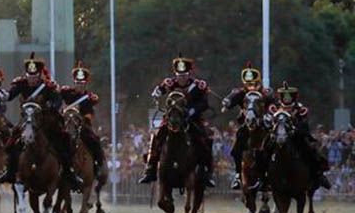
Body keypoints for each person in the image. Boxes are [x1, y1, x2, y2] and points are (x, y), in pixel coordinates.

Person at [0, 55, 83, 191]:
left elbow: (57, 99)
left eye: (34, 76)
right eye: (29, 75)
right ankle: (9, 171)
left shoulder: (47, 86)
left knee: (64, 141)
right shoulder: (21, 84)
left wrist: (52, 104)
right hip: (26, 121)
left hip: (46, 122)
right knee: (11, 144)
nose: (31, 78)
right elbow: (11, 95)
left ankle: (69, 172)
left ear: (39, 74)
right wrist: (4, 96)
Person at [138, 55, 216, 188]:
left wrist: (191, 111)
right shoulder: (170, 84)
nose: (181, 78)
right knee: (157, 136)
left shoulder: (198, 86)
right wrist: (156, 93)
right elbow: (159, 91)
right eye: (179, 75)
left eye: (184, 75)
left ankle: (206, 171)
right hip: (171, 119)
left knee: (205, 139)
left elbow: (204, 103)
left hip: (192, 119)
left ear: (189, 73)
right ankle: (150, 168)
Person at [253, 82, 332, 191]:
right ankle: (262, 179)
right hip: (276, 137)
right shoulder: (274, 109)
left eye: (288, 96)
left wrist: (295, 130)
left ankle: (318, 176)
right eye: (284, 96)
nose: (286, 99)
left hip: (295, 137)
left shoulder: (300, 109)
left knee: (310, 150)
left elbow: (304, 125)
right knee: (262, 150)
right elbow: (269, 122)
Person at [218, 62, 272, 190]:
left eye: (253, 83)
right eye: (248, 84)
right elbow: (231, 99)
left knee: (274, 144)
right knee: (237, 148)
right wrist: (226, 102)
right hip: (247, 126)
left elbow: (273, 105)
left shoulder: (265, 93)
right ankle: (237, 175)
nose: (251, 86)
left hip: (263, 125)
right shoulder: (241, 92)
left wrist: (269, 115)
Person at [59, 61, 106, 180]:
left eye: (82, 84)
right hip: (67, 122)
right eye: (77, 83)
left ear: (85, 84)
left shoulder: (89, 97)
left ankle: (98, 164)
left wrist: (84, 118)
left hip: (82, 125)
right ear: (74, 83)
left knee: (94, 140)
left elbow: (90, 112)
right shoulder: (66, 92)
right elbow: (58, 98)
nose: (79, 86)